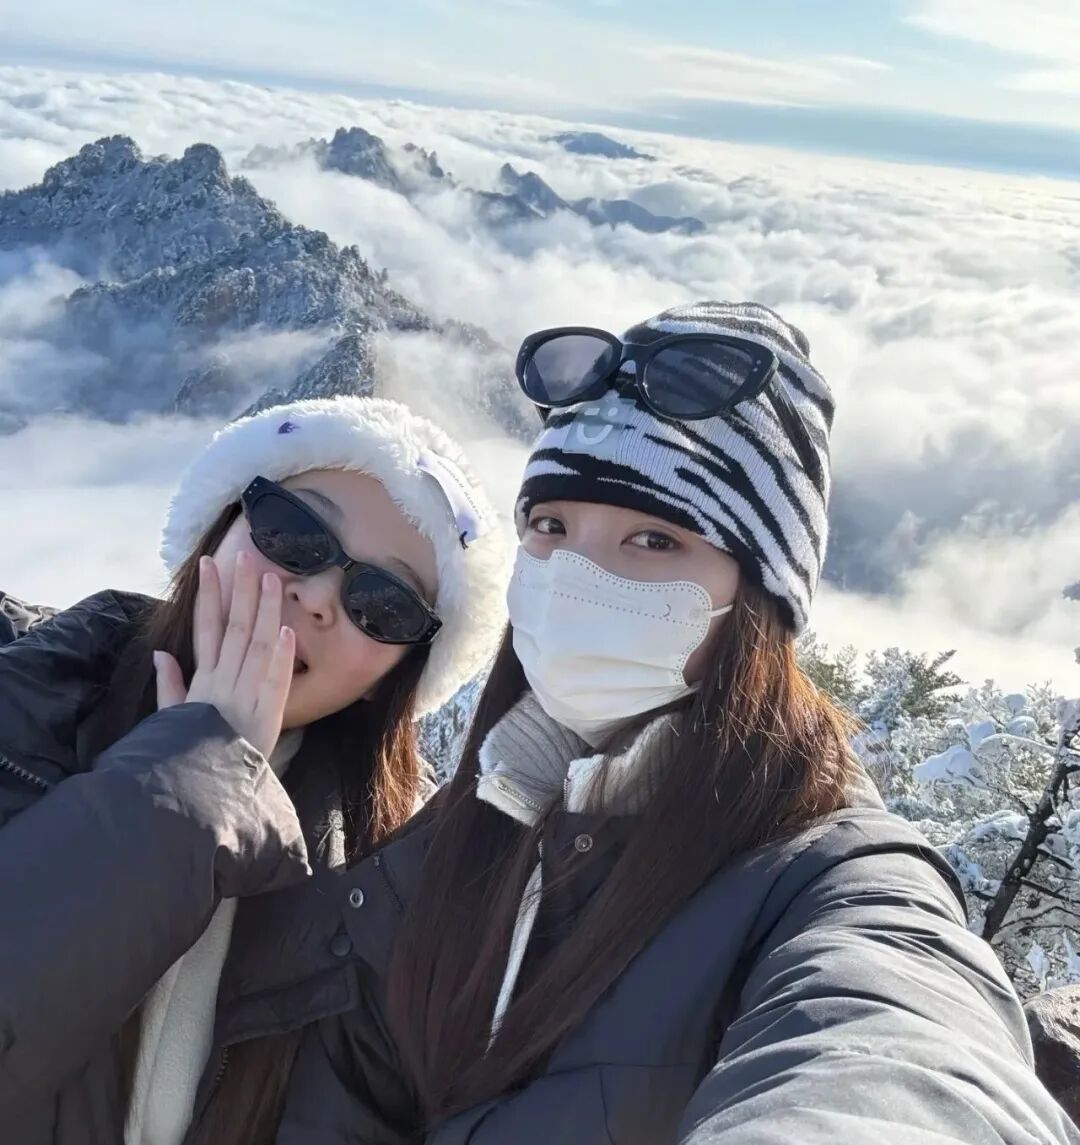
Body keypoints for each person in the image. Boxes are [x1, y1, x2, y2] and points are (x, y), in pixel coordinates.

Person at [275, 302, 1080, 1144]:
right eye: (550, 526)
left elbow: (906, 1060)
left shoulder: (829, 882)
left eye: (655, 540)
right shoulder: (474, 825)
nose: (576, 572)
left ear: (757, 600)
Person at [0, 395, 507, 1145]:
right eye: (293, 533)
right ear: (221, 524)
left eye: (384, 603)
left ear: (394, 676)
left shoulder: (402, 877)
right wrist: (192, 775)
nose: (316, 597)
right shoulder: (22, 686)